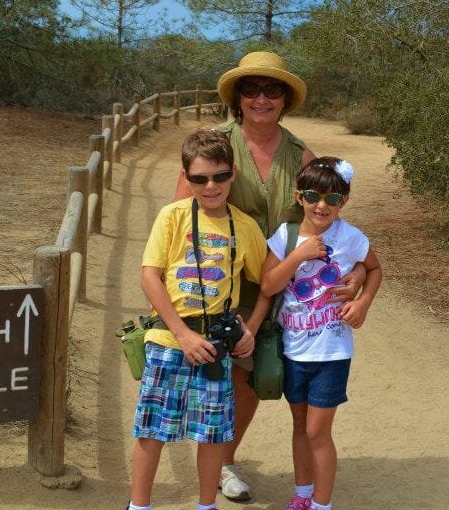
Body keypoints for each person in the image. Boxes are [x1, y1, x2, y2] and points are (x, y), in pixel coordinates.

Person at [172, 51, 367, 501]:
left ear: (284, 100)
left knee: (258, 378)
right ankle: (220, 467)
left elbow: (329, 224)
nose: (261, 98)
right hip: (219, 284)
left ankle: (222, 461)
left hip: (282, 289)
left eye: (272, 90)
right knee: (225, 376)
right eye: (251, 89)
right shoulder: (215, 143)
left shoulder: (301, 155)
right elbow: (179, 215)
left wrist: (357, 273)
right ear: (237, 97)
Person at [128, 129, 268, 510]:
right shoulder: (172, 217)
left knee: (212, 435)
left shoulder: (244, 227)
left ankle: (206, 505)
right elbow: (149, 276)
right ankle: (139, 505)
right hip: (170, 340)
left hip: (216, 348)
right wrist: (182, 335)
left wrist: (250, 329)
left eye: (220, 176)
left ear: (233, 175)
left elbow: (268, 283)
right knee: (152, 429)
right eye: (200, 178)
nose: (211, 186)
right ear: (186, 177)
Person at [255, 157, 383, 510]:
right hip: (294, 350)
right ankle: (303, 493)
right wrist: (298, 256)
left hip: (331, 352)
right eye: (313, 196)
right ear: (299, 196)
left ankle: (322, 504)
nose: (322, 205)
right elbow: (268, 285)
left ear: (345, 201)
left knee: (317, 432)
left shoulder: (351, 238)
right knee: (300, 426)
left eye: (333, 198)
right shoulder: (285, 236)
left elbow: (374, 268)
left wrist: (363, 301)